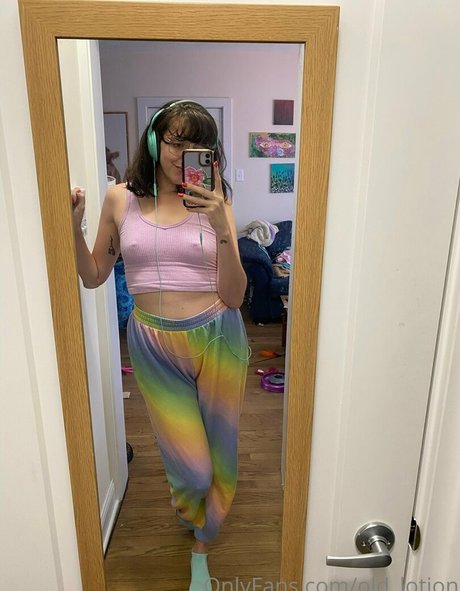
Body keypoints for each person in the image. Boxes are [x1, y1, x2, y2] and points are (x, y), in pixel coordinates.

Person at [71, 100, 249, 591]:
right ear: (153, 141)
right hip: (151, 342)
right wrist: (74, 224)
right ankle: (192, 507)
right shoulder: (120, 199)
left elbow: (235, 296)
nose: (183, 152)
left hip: (218, 336)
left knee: (221, 451)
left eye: (198, 144)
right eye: (175, 140)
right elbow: (93, 275)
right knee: (192, 470)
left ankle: (202, 543)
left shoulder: (217, 205)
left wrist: (221, 228)